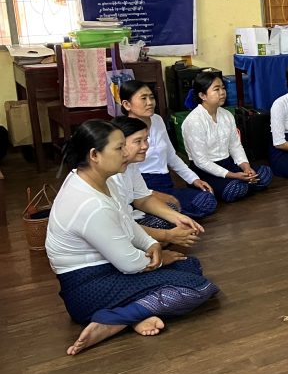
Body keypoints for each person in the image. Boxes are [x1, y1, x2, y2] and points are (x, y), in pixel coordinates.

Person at [45, 121, 219, 356]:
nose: (127, 152)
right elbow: (130, 264)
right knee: (199, 287)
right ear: (94, 155)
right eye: (119, 148)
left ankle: (133, 315)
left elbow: (127, 222)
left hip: (108, 271)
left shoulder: (97, 180)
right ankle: (114, 319)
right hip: (88, 289)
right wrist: (161, 259)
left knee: (190, 266)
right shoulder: (90, 204)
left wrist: (152, 243)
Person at [119, 80, 217, 220]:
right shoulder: (123, 131)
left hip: (165, 182)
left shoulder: (157, 120)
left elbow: (171, 156)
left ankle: (166, 216)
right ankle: (161, 216)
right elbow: (122, 174)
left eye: (151, 97)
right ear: (127, 104)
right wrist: (149, 194)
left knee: (206, 200)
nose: (150, 102)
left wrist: (194, 179)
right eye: (143, 98)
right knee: (168, 209)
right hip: (141, 186)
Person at [109, 116, 205, 249]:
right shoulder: (110, 174)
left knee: (171, 209)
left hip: (129, 220)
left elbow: (143, 199)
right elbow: (119, 225)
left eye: (146, 139)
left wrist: (178, 218)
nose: (145, 146)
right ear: (120, 144)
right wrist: (167, 235)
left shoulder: (130, 164)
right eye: (138, 141)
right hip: (118, 229)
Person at [182, 72, 273, 202]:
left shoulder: (227, 115)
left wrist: (246, 168)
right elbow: (201, 161)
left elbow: (235, 146)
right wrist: (233, 175)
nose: (222, 92)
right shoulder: (193, 121)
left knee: (265, 173)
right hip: (205, 170)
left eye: (223, 88)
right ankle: (241, 185)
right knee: (234, 189)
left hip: (228, 164)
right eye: (216, 89)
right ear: (202, 95)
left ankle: (243, 183)